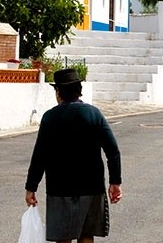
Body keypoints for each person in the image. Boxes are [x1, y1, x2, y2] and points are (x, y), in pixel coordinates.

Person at [25, 68, 123, 243]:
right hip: (91, 188)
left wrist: (31, 187)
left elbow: (40, 156)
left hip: (60, 189)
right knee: (86, 235)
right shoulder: (94, 114)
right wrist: (115, 182)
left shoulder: (50, 118)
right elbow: (112, 151)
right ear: (79, 90)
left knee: (63, 237)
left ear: (58, 92)